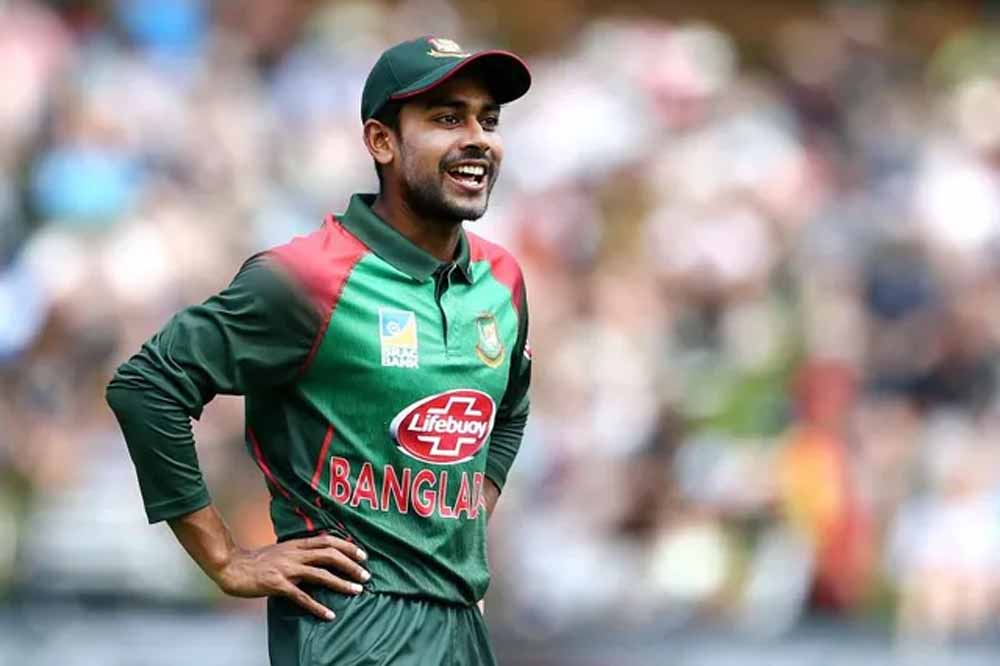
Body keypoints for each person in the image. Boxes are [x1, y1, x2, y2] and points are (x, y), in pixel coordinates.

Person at [106, 36, 532, 665]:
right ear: (381, 141)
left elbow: (509, 410)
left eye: (488, 121)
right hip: (352, 628)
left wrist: (456, 544)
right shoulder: (308, 277)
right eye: (448, 119)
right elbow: (147, 387)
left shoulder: (501, 281)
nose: (478, 139)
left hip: (461, 626)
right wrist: (225, 559)